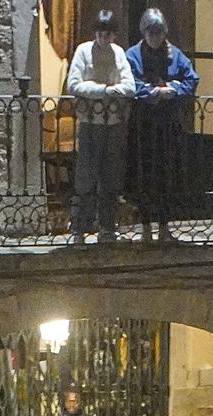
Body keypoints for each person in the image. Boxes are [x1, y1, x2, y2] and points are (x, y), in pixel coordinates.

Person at [126, 7, 198, 246]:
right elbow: (130, 83)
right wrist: (152, 92)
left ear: (164, 33)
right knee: (144, 176)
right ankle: (145, 226)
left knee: (167, 175)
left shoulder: (175, 55)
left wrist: (174, 90)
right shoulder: (133, 55)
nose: (154, 37)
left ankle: (165, 226)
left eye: (158, 33)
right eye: (150, 32)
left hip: (168, 125)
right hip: (143, 125)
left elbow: (191, 79)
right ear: (144, 32)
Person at [65, 10, 135, 244]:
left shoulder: (119, 53)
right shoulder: (84, 51)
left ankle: (107, 227)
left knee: (110, 176)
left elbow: (130, 86)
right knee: (85, 176)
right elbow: (73, 85)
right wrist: (103, 90)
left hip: (113, 123)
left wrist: (110, 90)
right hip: (90, 122)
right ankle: (79, 228)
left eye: (108, 34)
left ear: (114, 35)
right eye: (100, 33)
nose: (103, 37)